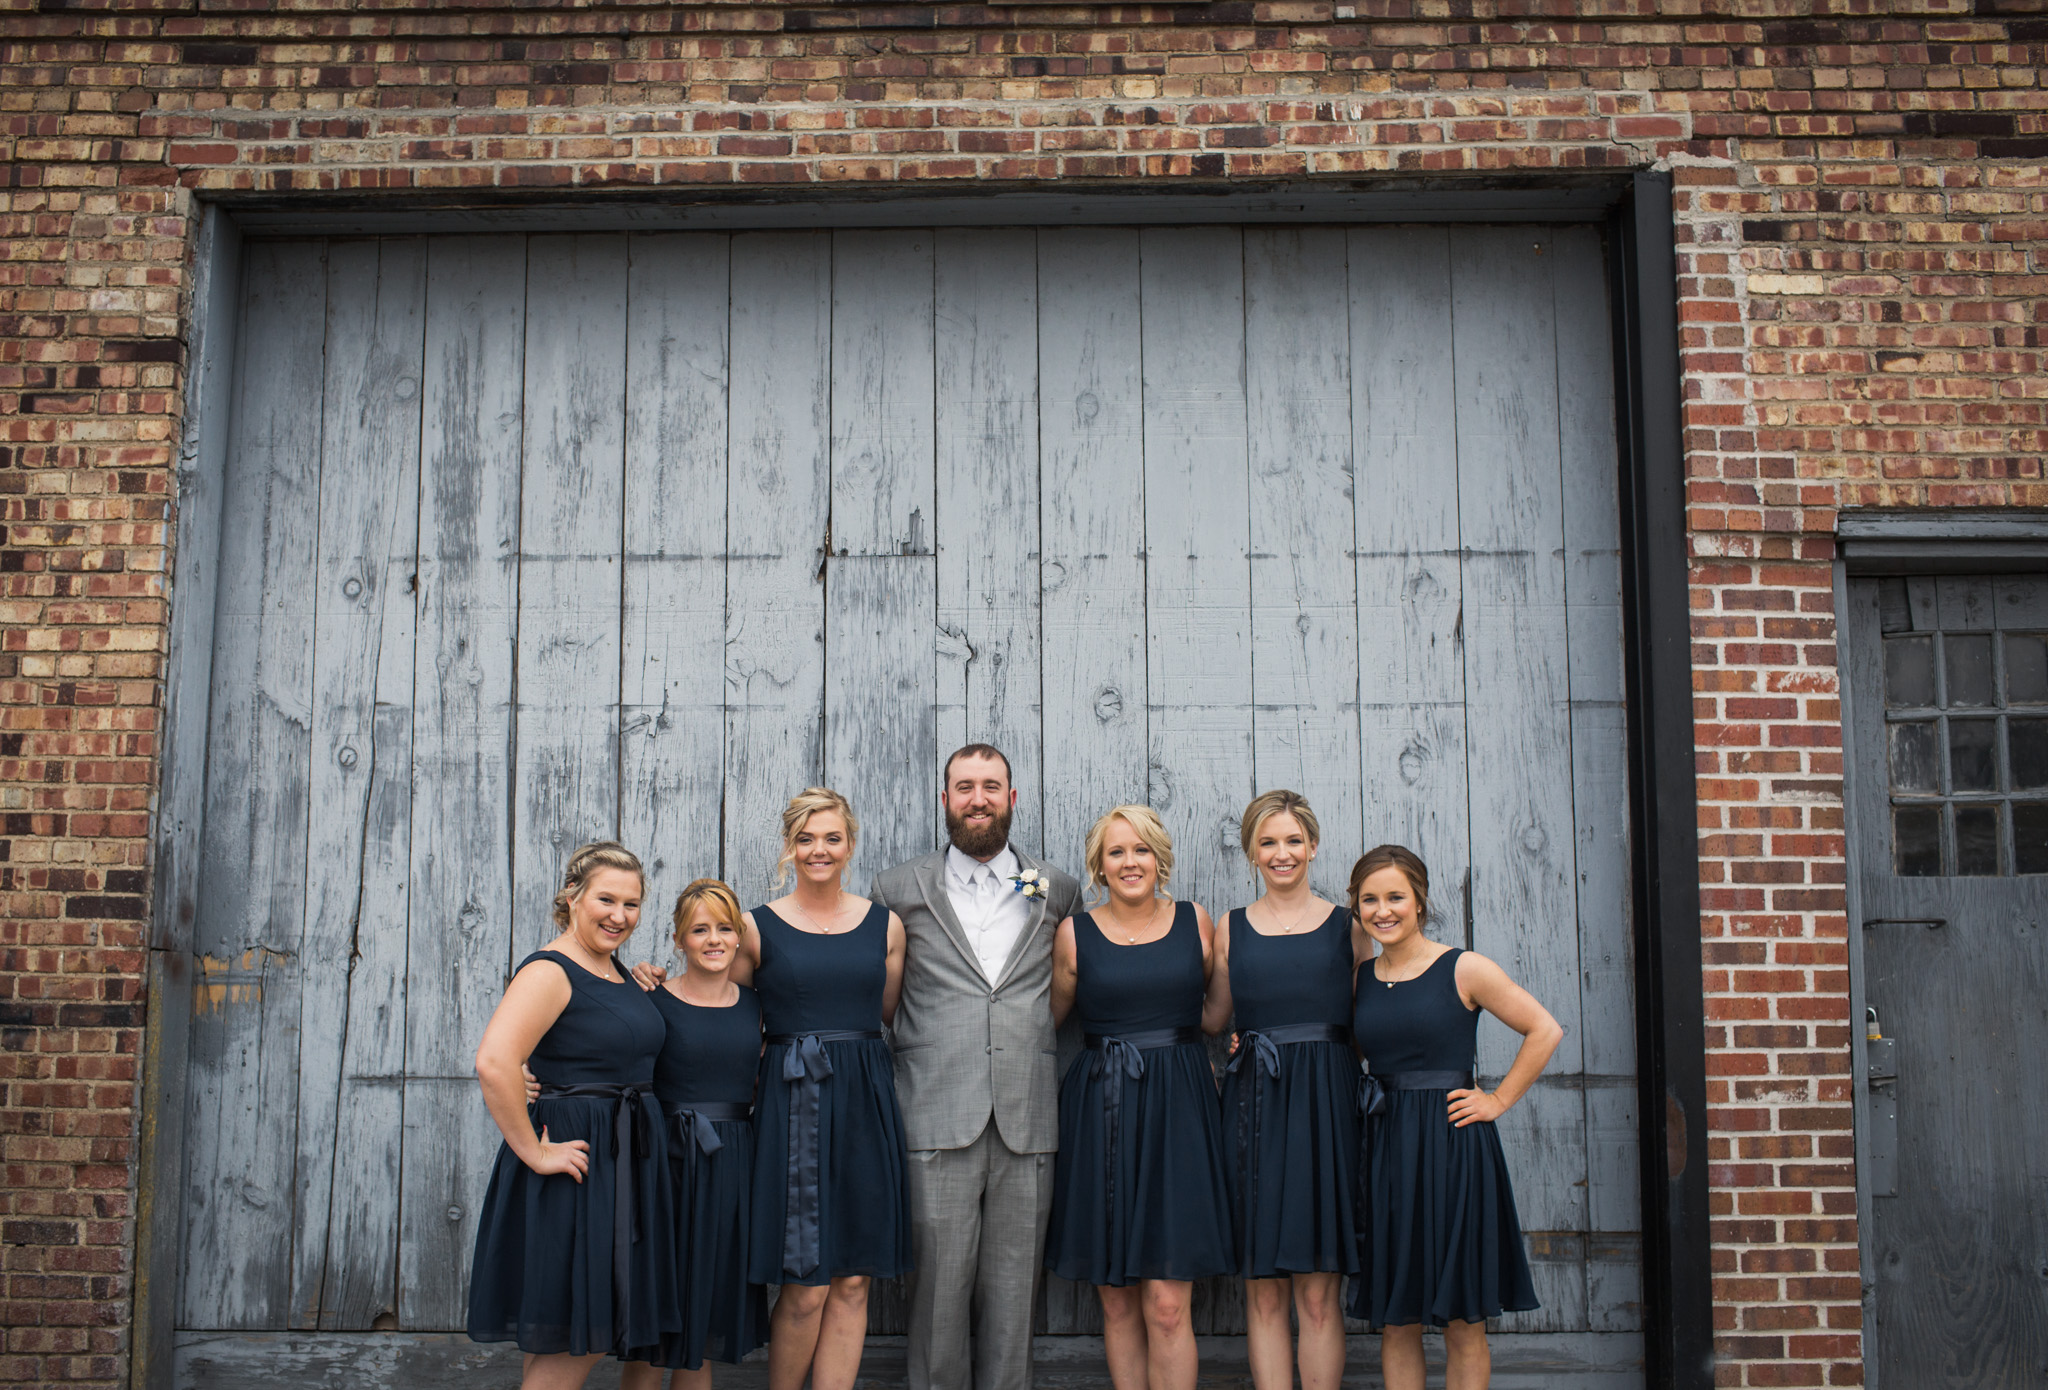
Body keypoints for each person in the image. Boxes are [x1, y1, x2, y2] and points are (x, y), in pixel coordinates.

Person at [868, 744, 1084, 1390]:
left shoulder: (1053, 887)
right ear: (946, 800)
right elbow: (884, 995)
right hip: (935, 1110)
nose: (979, 798)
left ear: (1013, 799)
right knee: (936, 1289)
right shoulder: (898, 888)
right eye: (965, 786)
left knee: (1016, 1293)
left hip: (1026, 1111)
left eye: (992, 786)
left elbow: (1063, 986)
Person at [1347, 844, 1562, 1390]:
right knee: (1397, 1320)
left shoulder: (1464, 967)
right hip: (1387, 1150)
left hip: (1453, 1150)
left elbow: (1545, 1029)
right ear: (1357, 908)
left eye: (1395, 896)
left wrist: (1497, 1100)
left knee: (1464, 1322)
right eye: (1369, 899)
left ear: (1419, 900)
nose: (1383, 910)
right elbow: (1339, 1052)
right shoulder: (1361, 980)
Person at [468, 842, 678, 1390]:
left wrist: (647, 985)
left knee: (562, 1340)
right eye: (606, 899)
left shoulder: (616, 972)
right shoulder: (550, 970)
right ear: (572, 896)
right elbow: (495, 1062)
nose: (619, 915)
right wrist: (534, 1151)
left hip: (621, 1165)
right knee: (571, 1343)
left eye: (632, 905)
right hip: (582, 1171)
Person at [1044, 805, 1234, 1390]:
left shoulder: (1196, 921)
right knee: (1118, 1301)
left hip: (1180, 1108)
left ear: (1160, 858)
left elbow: (1216, 1016)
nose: (1131, 862)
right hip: (1102, 1109)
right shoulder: (1073, 933)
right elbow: (1046, 1023)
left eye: (1142, 850)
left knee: (1169, 1305)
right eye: (1116, 852)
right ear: (1099, 867)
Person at [743, 789, 911, 1390]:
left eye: (832, 838)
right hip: (794, 1107)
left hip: (865, 1100)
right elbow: (722, 1012)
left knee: (853, 1279)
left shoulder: (884, 925)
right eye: (807, 838)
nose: (820, 849)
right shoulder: (753, 927)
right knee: (805, 1280)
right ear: (790, 846)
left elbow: (887, 1011)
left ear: (850, 844)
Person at [1210, 792, 1367, 1390]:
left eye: (1293, 841)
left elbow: (1367, 1024)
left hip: (1328, 1109)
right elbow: (1215, 1018)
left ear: (1313, 846)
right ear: (1251, 851)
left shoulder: (1346, 928)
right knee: (1264, 1292)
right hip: (1254, 1108)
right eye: (1269, 842)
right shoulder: (1231, 928)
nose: (1282, 853)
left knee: (1320, 1294)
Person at [621, 879, 769, 1390]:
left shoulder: (756, 1007)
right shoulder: (651, 1000)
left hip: (731, 1164)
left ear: (739, 937)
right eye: (699, 929)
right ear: (679, 938)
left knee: (702, 1317)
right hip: (665, 1163)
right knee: (656, 1314)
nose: (713, 940)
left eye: (725, 928)